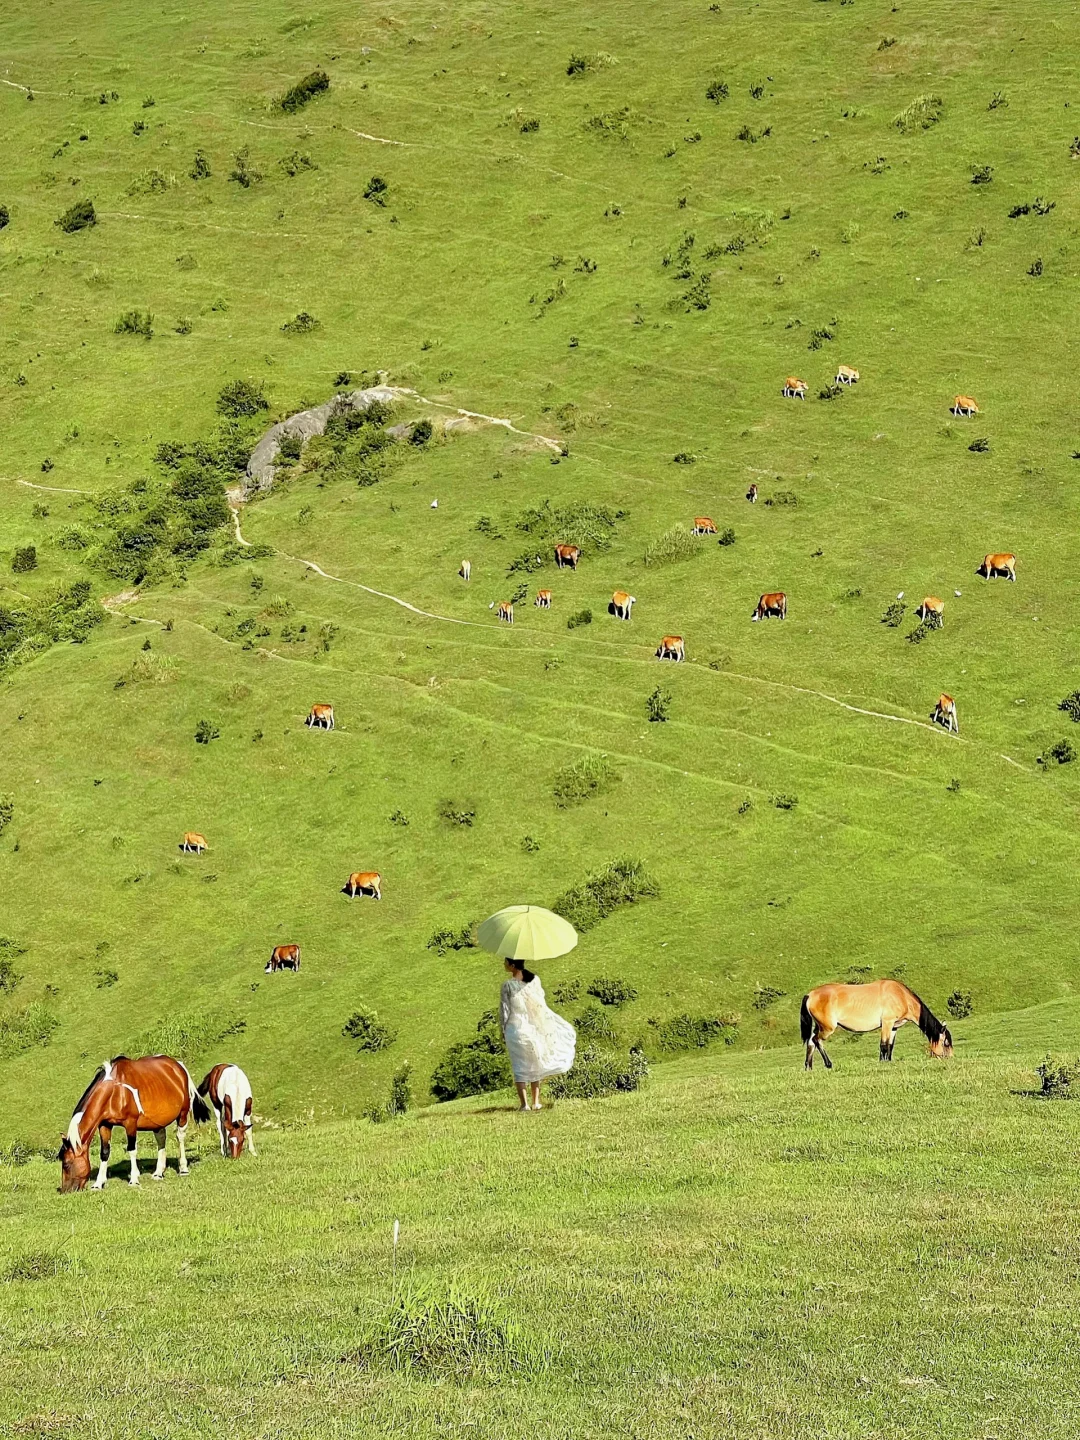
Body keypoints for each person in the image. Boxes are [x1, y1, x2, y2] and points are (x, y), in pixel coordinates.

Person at [499, 957, 577, 1110]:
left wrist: (502, 1031)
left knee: (519, 1066)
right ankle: (535, 1102)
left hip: (515, 1029)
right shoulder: (534, 981)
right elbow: (540, 1004)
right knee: (535, 1063)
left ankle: (524, 1105)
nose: (504, 964)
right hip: (533, 1028)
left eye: (506, 962)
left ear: (512, 966)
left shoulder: (507, 986)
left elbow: (504, 1011)